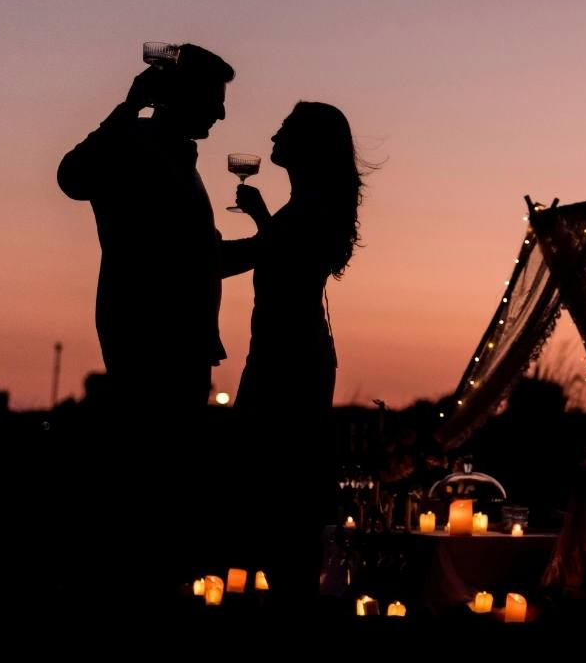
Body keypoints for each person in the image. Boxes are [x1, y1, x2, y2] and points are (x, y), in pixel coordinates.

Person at [225, 101, 365, 599]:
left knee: (278, 490)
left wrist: (191, 256)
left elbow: (278, 255)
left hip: (290, 358)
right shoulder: (307, 205)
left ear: (309, 145)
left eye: (284, 129)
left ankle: (294, 603)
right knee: (277, 490)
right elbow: (279, 249)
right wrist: (262, 218)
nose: (273, 137)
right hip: (286, 351)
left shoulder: (314, 207)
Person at [57, 43, 243, 418]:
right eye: (213, 100)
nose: (221, 113)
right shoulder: (131, 145)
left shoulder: (180, 158)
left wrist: (269, 243)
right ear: (182, 95)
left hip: (187, 343)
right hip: (147, 341)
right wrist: (129, 108)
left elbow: (205, 259)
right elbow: (72, 177)